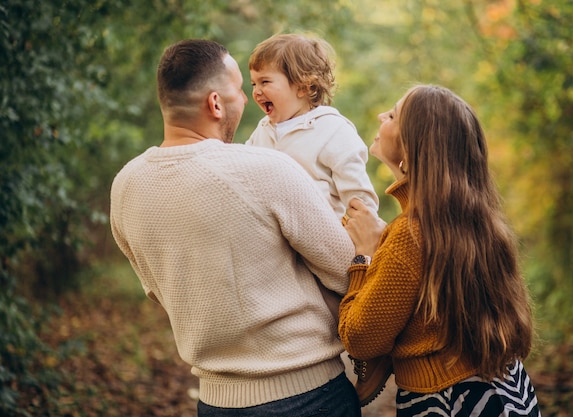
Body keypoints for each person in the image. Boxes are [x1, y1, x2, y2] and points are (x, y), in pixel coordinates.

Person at [110, 39, 362, 417]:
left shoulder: (125, 186)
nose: (248, 100)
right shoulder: (265, 168)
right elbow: (348, 273)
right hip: (308, 396)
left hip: (214, 402)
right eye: (241, 91)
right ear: (214, 103)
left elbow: (158, 291)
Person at [338, 84, 541, 416]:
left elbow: (361, 339)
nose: (380, 116)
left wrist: (365, 255)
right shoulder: (474, 221)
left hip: (448, 402)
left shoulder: (410, 234)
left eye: (392, 115)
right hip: (507, 389)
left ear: (413, 148)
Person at [246, 33, 378, 220]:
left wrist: (363, 233)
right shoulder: (262, 129)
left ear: (304, 86)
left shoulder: (333, 130)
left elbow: (360, 197)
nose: (256, 91)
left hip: (319, 237)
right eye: (253, 83)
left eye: (265, 81)